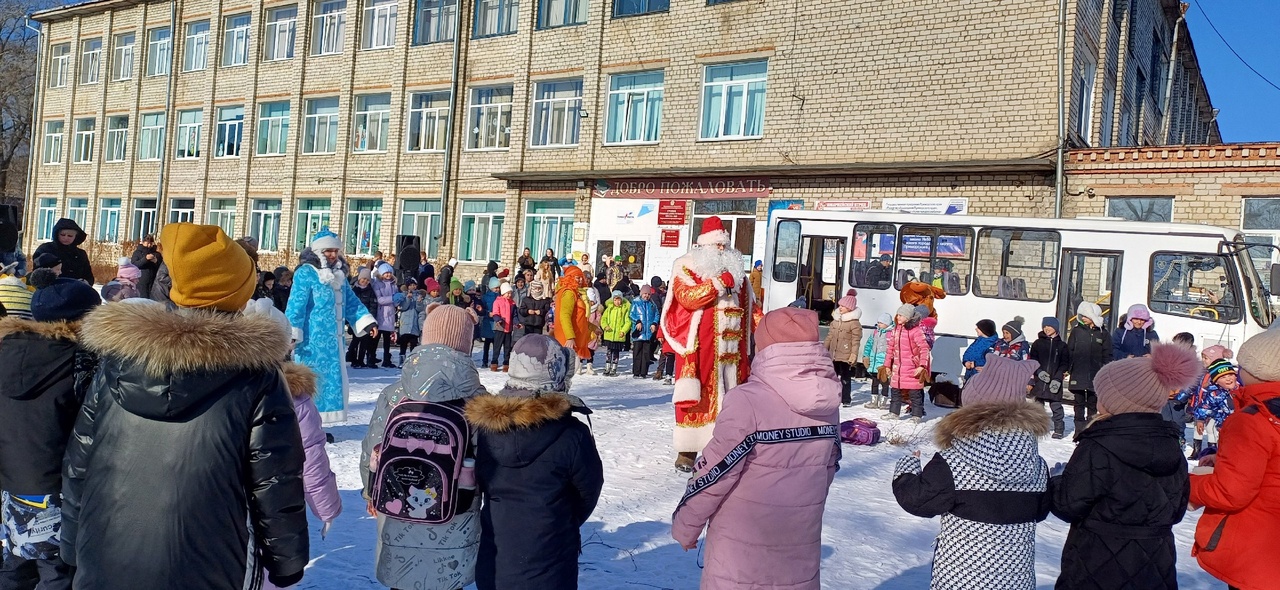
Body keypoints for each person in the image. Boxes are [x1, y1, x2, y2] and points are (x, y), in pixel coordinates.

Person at [63, 223, 308, 590]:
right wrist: (286, 561)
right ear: (240, 293)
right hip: (205, 560)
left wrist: (71, 544)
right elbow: (274, 478)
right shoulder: (257, 376)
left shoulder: (119, 361)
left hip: (106, 554)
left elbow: (79, 461)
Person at [671, 308, 840, 590]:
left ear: (765, 346)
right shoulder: (827, 401)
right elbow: (828, 469)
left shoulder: (747, 401)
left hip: (741, 543)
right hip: (799, 535)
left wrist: (686, 524)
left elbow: (715, 472)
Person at [893, 353, 1051, 590]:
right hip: (1016, 579)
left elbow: (919, 501)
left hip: (962, 580)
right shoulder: (1035, 464)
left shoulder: (954, 459)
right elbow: (1040, 509)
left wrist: (906, 469)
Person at [1049, 343, 1197, 590]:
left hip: (1096, 564)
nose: (1098, 403)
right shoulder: (1171, 445)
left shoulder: (1099, 445)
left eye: (1103, 396)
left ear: (1119, 401)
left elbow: (1068, 504)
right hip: (1155, 566)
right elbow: (1177, 510)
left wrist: (1058, 479)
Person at [465, 334, 604, 590]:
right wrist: (561, 517)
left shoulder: (484, 429)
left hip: (496, 555)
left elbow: (478, 482)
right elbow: (589, 490)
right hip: (552, 555)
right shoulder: (573, 434)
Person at [361, 304, 485, 590]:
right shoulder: (477, 399)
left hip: (397, 513)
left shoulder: (394, 395)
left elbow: (372, 447)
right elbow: (487, 462)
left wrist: (370, 491)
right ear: (465, 343)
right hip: (455, 521)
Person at [0, 273, 100, 590]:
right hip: (56, 487)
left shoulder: (9, 350)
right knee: (56, 573)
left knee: (15, 565)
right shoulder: (80, 360)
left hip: (11, 483)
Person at [242, 299, 342, 590]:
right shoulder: (293, 395)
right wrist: (327, 508)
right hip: (273, 505)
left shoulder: (215, 383)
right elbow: (311, 457)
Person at [659, 216, 757, 472]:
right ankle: (688, 451)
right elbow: (687, 297)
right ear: (705, 245)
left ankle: (727, 445)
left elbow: (751, 308)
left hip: (733, 352)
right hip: (700, 348)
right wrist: (716, 284)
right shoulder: (687, 265)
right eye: (718, 245)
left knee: (733, 398)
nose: (722, 250)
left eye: (725, 245)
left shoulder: (738, 274)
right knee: (697, 396)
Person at [1186, 328, 1280, 590]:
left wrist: (1186, 485)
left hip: (1259, 551)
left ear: (1255, 371)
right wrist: (1225, 457)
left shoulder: (1252, 420)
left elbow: (1231, 491)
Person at [286, 229, 377, 425]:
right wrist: (291, 334)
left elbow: (351, 303)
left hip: (334, 344)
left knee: (331, 384)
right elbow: (296, 305)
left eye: (336, 251)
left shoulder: (339, 276)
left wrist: (367, 322)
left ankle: (320, 423)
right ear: (318, 251)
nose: (333, 255)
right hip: (312, 343)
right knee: (312, 383)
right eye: (328, 251)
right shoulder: (306, 273)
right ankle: (307, 424)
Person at [1065, 302, 1111, 437]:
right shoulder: (1076, 331)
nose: (1083, 318)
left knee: (1092, 404)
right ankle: (1079, 430)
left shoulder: (1103, 334)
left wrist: (1105, 371)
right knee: (1078, 403)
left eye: (1085, 316)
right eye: (1082, 316)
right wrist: (1068, 368)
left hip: (1095, 375)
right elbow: (1070, 351)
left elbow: (1107, 354)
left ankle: (1089, 429)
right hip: (1078, 372)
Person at [881, 303, 931, 423]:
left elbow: (924, 349)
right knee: (895, 391)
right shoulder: (896, 330)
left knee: (915, 393)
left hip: (912, 367)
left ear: (908, 318)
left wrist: (922, 366)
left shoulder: (916, 331)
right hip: (897, 368)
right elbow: (890, 350)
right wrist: (887, 365)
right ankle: (894, 412)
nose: (898, 317)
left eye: (901, 315)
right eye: (898, 314)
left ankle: (916, 415)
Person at [1029, 317, 1071, 439]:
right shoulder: (1038, 343)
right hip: (1040, 381)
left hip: (1054, 381)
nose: (1046, 329)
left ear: (1056, 328)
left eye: (1049, 326)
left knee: (1056, 406)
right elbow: (1033, 360)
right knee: (1038, 406)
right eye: (1044, 326)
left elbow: (1065, 363)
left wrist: (1058, 378)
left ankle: (1059, 428)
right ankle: (1036, 427)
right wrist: (1039, 371)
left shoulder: (1062, 346)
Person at [1189, 359, 1237, 458]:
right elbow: (1204, 407)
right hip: (1224, 428)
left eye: (1230, 375)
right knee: (1225, 451)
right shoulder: (1214, 393)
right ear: (1216, 381)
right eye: (1223, 377)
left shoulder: (1241, 390)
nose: (1228, 379)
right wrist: (1200, 420)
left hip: (1241, 427)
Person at [824, 292, 863, 407]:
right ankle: (832, 396)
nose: (840, 308)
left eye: (843, 306)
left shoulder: (854, 323)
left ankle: (846, 399)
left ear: (850, 308)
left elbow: (856, 340)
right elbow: (829, 336)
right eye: (840, 305)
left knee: (845, 378)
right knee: (832, 376)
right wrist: (824, 349)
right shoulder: (835, 321)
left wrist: (853, 354)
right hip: (833, 354)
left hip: (845, 355)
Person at [553, 265, 593, 374]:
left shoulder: (576, 293)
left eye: (581, 277)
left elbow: (579, 317)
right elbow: (564, 316)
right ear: (569, 278)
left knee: (569, 372)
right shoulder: (569, 293)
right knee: (567, 371)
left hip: (575, 337)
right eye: (577, 277)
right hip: (569, 340)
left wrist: (593, 327)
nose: (580, 280)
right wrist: (569, 337)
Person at [32, 219, 92, 284]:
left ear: (76, 237)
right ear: (57, 234)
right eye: (62, 235)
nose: (66, 238)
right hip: (50, 290)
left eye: (70, 236)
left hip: (74, 291)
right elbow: (37, 274)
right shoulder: (45, 249)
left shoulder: (80, 254)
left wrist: (85, 282)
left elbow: (88, 276)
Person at [350, 267, 380, 369]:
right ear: (359, 279)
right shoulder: (354, 290)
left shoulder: (370, 291)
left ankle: (361, 360)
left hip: (366, 318)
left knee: (364, 342)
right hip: (355, 320)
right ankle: (353, 359)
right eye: (363, 279)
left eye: (367, 280)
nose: (365, 281)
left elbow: (373, 306)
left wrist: (371, 319)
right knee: (355, 340)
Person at [861, 313, 892, 410]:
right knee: (874, 383)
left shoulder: (891, 334)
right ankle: (874, 400)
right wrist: (866, 356)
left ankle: (883, 401)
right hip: (874, 364)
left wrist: (890, 363)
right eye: (878, 322)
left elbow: (892, 349)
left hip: (883, 365)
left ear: (887, 324)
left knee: (884, 383)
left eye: (881, 323)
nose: (878, 324)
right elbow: (868, 345)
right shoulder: (875, 333)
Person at [372, 262, 400, 368]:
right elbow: (379, 300)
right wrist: (392, 299)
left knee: (387, 339)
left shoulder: (393, 284)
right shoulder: (377, 284)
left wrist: (398, 300)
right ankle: (372, 357)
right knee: (376, 338)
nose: (388, 275)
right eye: (386, 273)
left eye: (389, 272)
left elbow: (395, 301)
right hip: (381, 313)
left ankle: (386, 359)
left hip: (390, 314)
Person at [629, 285, 660, 378]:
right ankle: (636, 371)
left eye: (648, 294)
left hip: (648, 333)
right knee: (637, 352)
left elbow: (657, 314)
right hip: (639, 331)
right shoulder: (636, 302)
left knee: (646, 353)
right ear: (641, 294)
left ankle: (644, 372)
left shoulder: (652, 304)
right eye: (645, 294)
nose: (646, 296)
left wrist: (654, 323)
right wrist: (637, 321)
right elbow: (631, 314)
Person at [600, 290, 632, 377]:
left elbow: (627, 322)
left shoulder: (625, 309)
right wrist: (605, 326)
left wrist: (623, 331)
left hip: (618, 335)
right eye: (615, 300)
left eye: (619, 300)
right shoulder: (609, 308)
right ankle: (607, 367)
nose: (617, 302)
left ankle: (614, 368)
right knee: (609, 352)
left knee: (616, 352)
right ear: (612, 300)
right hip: (609, 334)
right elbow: (603, 319)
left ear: (621, 300)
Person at [395, 279, 426, 365]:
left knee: (414, 343)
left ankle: (413, 361)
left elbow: (420, 309)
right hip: (405, 323)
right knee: (403, 343)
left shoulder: (419, 296)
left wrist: (419, 303)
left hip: (414, 323)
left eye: (414, 285)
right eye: (411, 285)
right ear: (407, 286)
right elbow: (403, 307)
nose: (413, 287)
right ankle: (402, 360)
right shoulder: (403, 295)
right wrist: (408, 299)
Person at [490, 282, 516, 372]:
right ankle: (494, 362)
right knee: (497, 346)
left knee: (507, 347)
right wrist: (498, 319)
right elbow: (495, 312)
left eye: (510, 293)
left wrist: (517, 323)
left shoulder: (512, 303)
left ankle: (506, 363)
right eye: (507, 293)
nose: (509, 295)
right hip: (500, 326)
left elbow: (514, 315)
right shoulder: (497, 301)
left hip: (508, 328)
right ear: (503, 293)